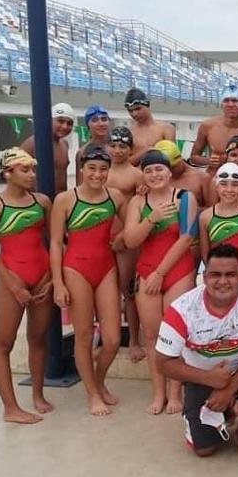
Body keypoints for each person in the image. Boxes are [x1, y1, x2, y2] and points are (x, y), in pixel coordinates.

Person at [155, 244, 238, 463]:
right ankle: (215, 412)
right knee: (204, 451)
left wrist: (229, 389)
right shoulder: (181, 309)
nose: (223, 281)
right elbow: (163, 362)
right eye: (215, 275)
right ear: (204, 277)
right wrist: (208, 379)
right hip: (201, 375)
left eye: (230, 275)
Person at [0, 148, 53, 424]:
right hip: (12, 278)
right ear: (7, 173)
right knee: (4, 342)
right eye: (25, 170)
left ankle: (37, 395)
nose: (32, 175)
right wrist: (14, 286)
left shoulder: (42, 202)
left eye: (33, 169)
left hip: (42, 276)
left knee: (38, 338)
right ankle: (10, 408)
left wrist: (52, 278)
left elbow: (53, 242)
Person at [49, 145, 125, 416]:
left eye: (103, 169)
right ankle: (92, 394)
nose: (97, 174)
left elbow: (130, 230)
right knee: (82, 336)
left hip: (105, 268)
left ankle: (99, 380)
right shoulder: (65, 200)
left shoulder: (115, 197)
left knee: (113, 339)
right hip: (76, 269)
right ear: (81, 169)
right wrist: (58, 283)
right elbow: (56, 243)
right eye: (92, 168)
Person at [123, 149, 199, 415]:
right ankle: (158, 392)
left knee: (175, 334)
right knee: (153, 335)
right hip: (146, 269)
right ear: (143, 174)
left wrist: (161, 273)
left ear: (169, 171)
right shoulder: (137, 202)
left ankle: (175, 392)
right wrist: (151, 219)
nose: (155, 175)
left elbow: (186, 238)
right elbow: (131, 240)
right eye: (149, 170)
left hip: (177, 270)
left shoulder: (185, 197)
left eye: (159, 169)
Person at [105, 126, 145, 362]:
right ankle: (105, 337)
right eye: (114, 145)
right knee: (105, 290)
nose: (117, 150)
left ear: (131, 150)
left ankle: (133, 340)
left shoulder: (136, 175)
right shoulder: (99, 172)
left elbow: (139, 209)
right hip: (100, 237)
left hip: (125, 238)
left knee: (128, 290)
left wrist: (125, 235)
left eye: (123, 146)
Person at [199, 162, 238, 283]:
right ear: (216, 187)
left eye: (235, 185)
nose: (229, 189)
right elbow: (205, 255)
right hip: (219, 280)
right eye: (223, 184)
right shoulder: (206, 217)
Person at [189, 84, 238, 172]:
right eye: (226, 101)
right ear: (221, 105)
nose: (230, 104)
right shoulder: (208, 126)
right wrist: (209, 161)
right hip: (215, 178)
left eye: (235, 101)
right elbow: (193, 157)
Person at [20, 102, 74, 193]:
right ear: (50, 120)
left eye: (69, 123)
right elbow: (17, 176)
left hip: (59, 200)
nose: (65, 126)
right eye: (60, 121)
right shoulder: (33, 143)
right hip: (38, 201)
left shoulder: (65, 144)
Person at [124, 88, 176, 165]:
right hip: (138, 175)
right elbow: (124, 164)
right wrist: (146, 151)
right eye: (130, 111)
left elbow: (172, 159)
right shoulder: (128, 132)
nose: (134, 114)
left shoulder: (167, 129)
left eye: (138, 109)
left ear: (147, 105)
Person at [154, 139, 208, 206]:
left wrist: (187, 209)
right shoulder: (156, 179)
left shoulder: (202, 178)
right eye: (165, 169)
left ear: (180, 159)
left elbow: (214, 210)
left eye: (173, 167)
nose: (170, 172)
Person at [74, 105, 111, 182]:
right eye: (95, 120)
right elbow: (80, 185)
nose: (101, 124)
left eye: (104, 119)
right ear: (88, 125)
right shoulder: (82, 152)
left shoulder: (118, 148)